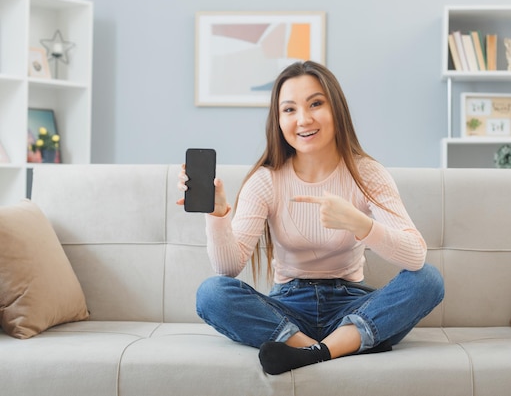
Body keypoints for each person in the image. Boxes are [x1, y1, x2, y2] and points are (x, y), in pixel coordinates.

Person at [177, 61, 444, 375]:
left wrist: (360, 224)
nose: (303, 119)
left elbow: (415, 256)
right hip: (289, 307)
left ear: (336, 110)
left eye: (315, 104)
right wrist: (217, 214)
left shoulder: (367, 174)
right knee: (212, 293)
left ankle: (306, 352)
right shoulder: (266, 180)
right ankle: (335, 347)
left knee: (428, 280)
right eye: (289, 110)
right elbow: (228, 268)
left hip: (353, 305)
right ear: (278, 120)